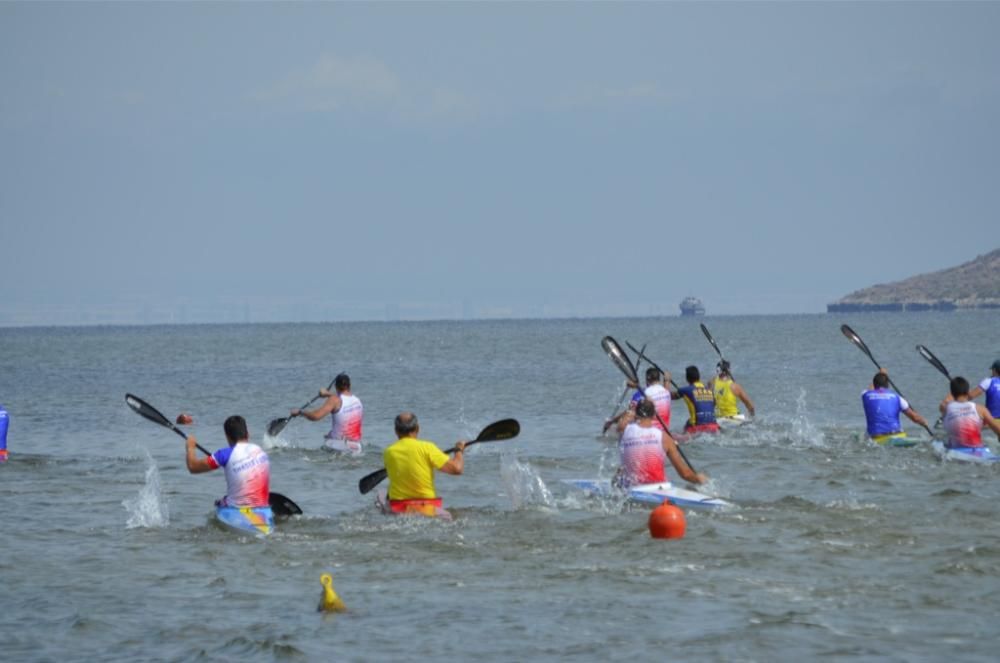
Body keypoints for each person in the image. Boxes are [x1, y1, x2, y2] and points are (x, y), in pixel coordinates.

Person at [381, 412, 466, 518]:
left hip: (398, 507)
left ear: (396, 431)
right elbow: (457, 469)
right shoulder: (428, 448)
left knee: (382, 497)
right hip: (428, 506)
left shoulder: (388, 452)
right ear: (417, 428)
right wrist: (458, 450)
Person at [185, 415, 271, 511]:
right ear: (247, 434)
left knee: (218, 503)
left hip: (237, 508)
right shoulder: (260, 451)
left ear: (227, 437)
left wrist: (190, 447)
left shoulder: (224, 455)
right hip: (263, 507)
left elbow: (193, 467)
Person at [615, 399, 707, 487]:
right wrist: (698, 479)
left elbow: (624, 419)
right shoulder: (665, 438)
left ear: (636, 415)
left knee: (619, 474)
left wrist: (632, 410)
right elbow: (685, 474)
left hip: (630, 488)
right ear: (654, 415)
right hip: (657, 488)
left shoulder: (624, 430)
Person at [292, 373, 363, 454]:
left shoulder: (334, 400)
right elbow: (342, 398)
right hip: (356, 446)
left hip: (339, 446)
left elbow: (316, 416)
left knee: (326, 442)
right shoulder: (357, 401)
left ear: (336, 387)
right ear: (350, 386)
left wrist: (300, 412)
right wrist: (327, 394)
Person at [862, 369, 929, 445]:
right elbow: (915, 418)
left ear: (874, 384)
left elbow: (871, 388)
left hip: (878, 439)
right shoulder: (898, 398)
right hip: (899, 435)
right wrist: (924, 422)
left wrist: (881, 373)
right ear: (888, 385)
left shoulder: (866, 395)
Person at [603, 367, 672, 434]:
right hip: (665, 433)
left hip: (649, 434)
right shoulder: (667, 392)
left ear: (647, 379)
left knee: (621, 426)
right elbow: (666, 384)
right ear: (659, 379)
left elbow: (629, 413)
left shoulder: (642, 394)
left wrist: (611, 421)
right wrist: (667, 379)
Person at [940, 376, 1000, 449]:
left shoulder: (946, 408)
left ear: (952, 393)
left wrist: (953, 390)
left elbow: (945, 401)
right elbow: (998, 429)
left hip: (955, 450)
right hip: (978, 450)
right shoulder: (981, 409)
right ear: (968, 392)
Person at [671, 366, 720, 435]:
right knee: (688, 421)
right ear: (699, 377)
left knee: (687, 425)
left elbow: (668, 396)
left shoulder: (685, 390)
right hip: (714, 426)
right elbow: (714, 404)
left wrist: (666, 380)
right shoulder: (709, 390)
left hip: (697, 428)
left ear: (687, 379)